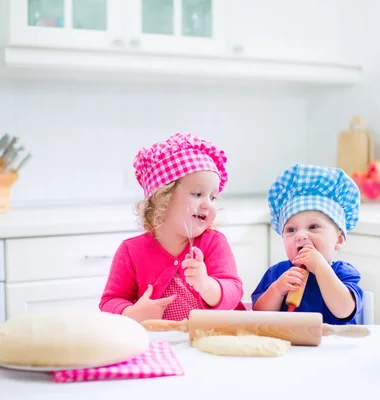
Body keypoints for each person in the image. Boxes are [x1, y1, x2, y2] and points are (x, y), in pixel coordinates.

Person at [99, 132, 244, 322]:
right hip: (157, 342)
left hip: (207, 340)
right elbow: (111, 301)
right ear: (163, 199)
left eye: (213, 197)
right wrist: (132, 313)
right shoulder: (131, 251)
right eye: (197, 193)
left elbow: (234, 291)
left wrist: (206, 285)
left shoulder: (214, 242)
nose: (208, 203)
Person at [251, 163, 364, 324]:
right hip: (290, 347)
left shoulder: (344, 273)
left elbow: (344, 310)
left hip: (333, 347)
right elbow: (258, 317)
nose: (301, 235)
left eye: (313, 227)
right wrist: (277, 290)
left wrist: (320, 267)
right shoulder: (277, 273)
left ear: (338, 240)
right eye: (291, 230)